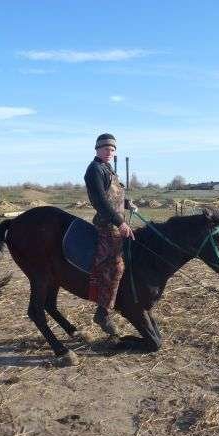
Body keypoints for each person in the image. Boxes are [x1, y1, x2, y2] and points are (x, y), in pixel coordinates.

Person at [84, 133, 136, 335]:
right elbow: (100, 201)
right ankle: (103, 313)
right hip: (107, 226)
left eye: (112, 149)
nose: (109, 151)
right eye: (105, 148)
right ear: (97, 149)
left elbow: (113, 196)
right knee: (116, 266)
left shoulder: (108, 168)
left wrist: (126, 204)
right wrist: (120, 222)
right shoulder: (94, 169)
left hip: (117, 223)